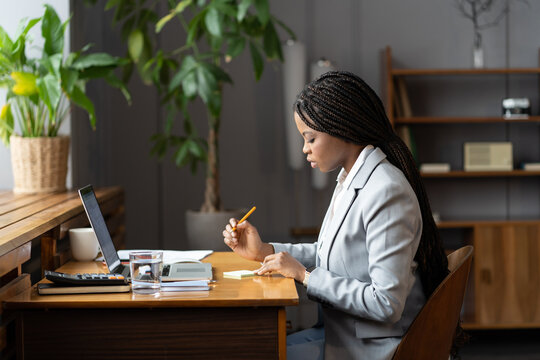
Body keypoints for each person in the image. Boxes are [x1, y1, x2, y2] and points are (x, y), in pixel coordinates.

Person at [222, 71, 452, 359]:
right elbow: (334, 254)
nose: (304, 149)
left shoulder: (385, 191)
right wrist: (264, 251)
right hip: (340, 334)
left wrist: (305, 276)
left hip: (371, 349)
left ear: (342, 127)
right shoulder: (351, 178)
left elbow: (386, 303)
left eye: (310, 138)